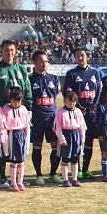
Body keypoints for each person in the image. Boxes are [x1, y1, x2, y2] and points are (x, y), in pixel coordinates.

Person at [0, 39, 32, 188]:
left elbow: (27, 89)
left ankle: (18, 178)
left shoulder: (21, 69)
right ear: (1, 52)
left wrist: (28, 107)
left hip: (18, 113)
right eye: (6, 50)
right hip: (2, 113)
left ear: (16, 51)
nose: (10, 53)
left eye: (12, 50)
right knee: (3, 144)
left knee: (18, 146)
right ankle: (3, 177)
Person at [64, 47, 102, 179]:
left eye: (83, 55)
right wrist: (80, 107)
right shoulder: (71, 74)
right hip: (78, 113)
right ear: (75, 58)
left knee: (89, 141)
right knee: (77, 141)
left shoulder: (95, 72)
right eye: (78, 56)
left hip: (91, 112)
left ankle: (86, 169)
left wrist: (93, 105)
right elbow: (69, 93)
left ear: (87, 57)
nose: (81, 58)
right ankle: (77, 169)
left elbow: (98, 91)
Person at [29, 50, 62, 185]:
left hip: (51, 117)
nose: (44, 64)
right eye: (41, 61)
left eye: (46, 61)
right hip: (37, 118)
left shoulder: (54, 78)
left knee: (56, 146)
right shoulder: (29, 80)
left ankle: (53, 173)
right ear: (34, 62)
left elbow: (55, 96)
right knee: (37, 146)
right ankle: (39, 175)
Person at [53, 91, 87, 187]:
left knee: (75, 158)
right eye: (69, 101)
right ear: (64, 101)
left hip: (76, 134)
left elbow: (82, 126)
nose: (71, 103)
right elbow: (57, 127)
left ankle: (75, 179)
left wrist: (82, 137)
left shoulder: (78, 111)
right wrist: (61, 138)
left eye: (74, 101)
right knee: (65, 158)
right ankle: (65, 180)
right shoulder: (60, 112)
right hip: (66, 134)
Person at [1, 87, 32, 191]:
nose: (17, 103)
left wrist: (27, 139)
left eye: (19, 101)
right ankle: (13, 183)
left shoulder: (23, 109)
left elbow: (27, 125)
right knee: (14, 160)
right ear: (10, 99)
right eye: (15, 101)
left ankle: (20, 181)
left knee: (21, 160)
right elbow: (3, 125)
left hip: (21, 134)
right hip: (11, 135)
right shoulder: (5, 109)